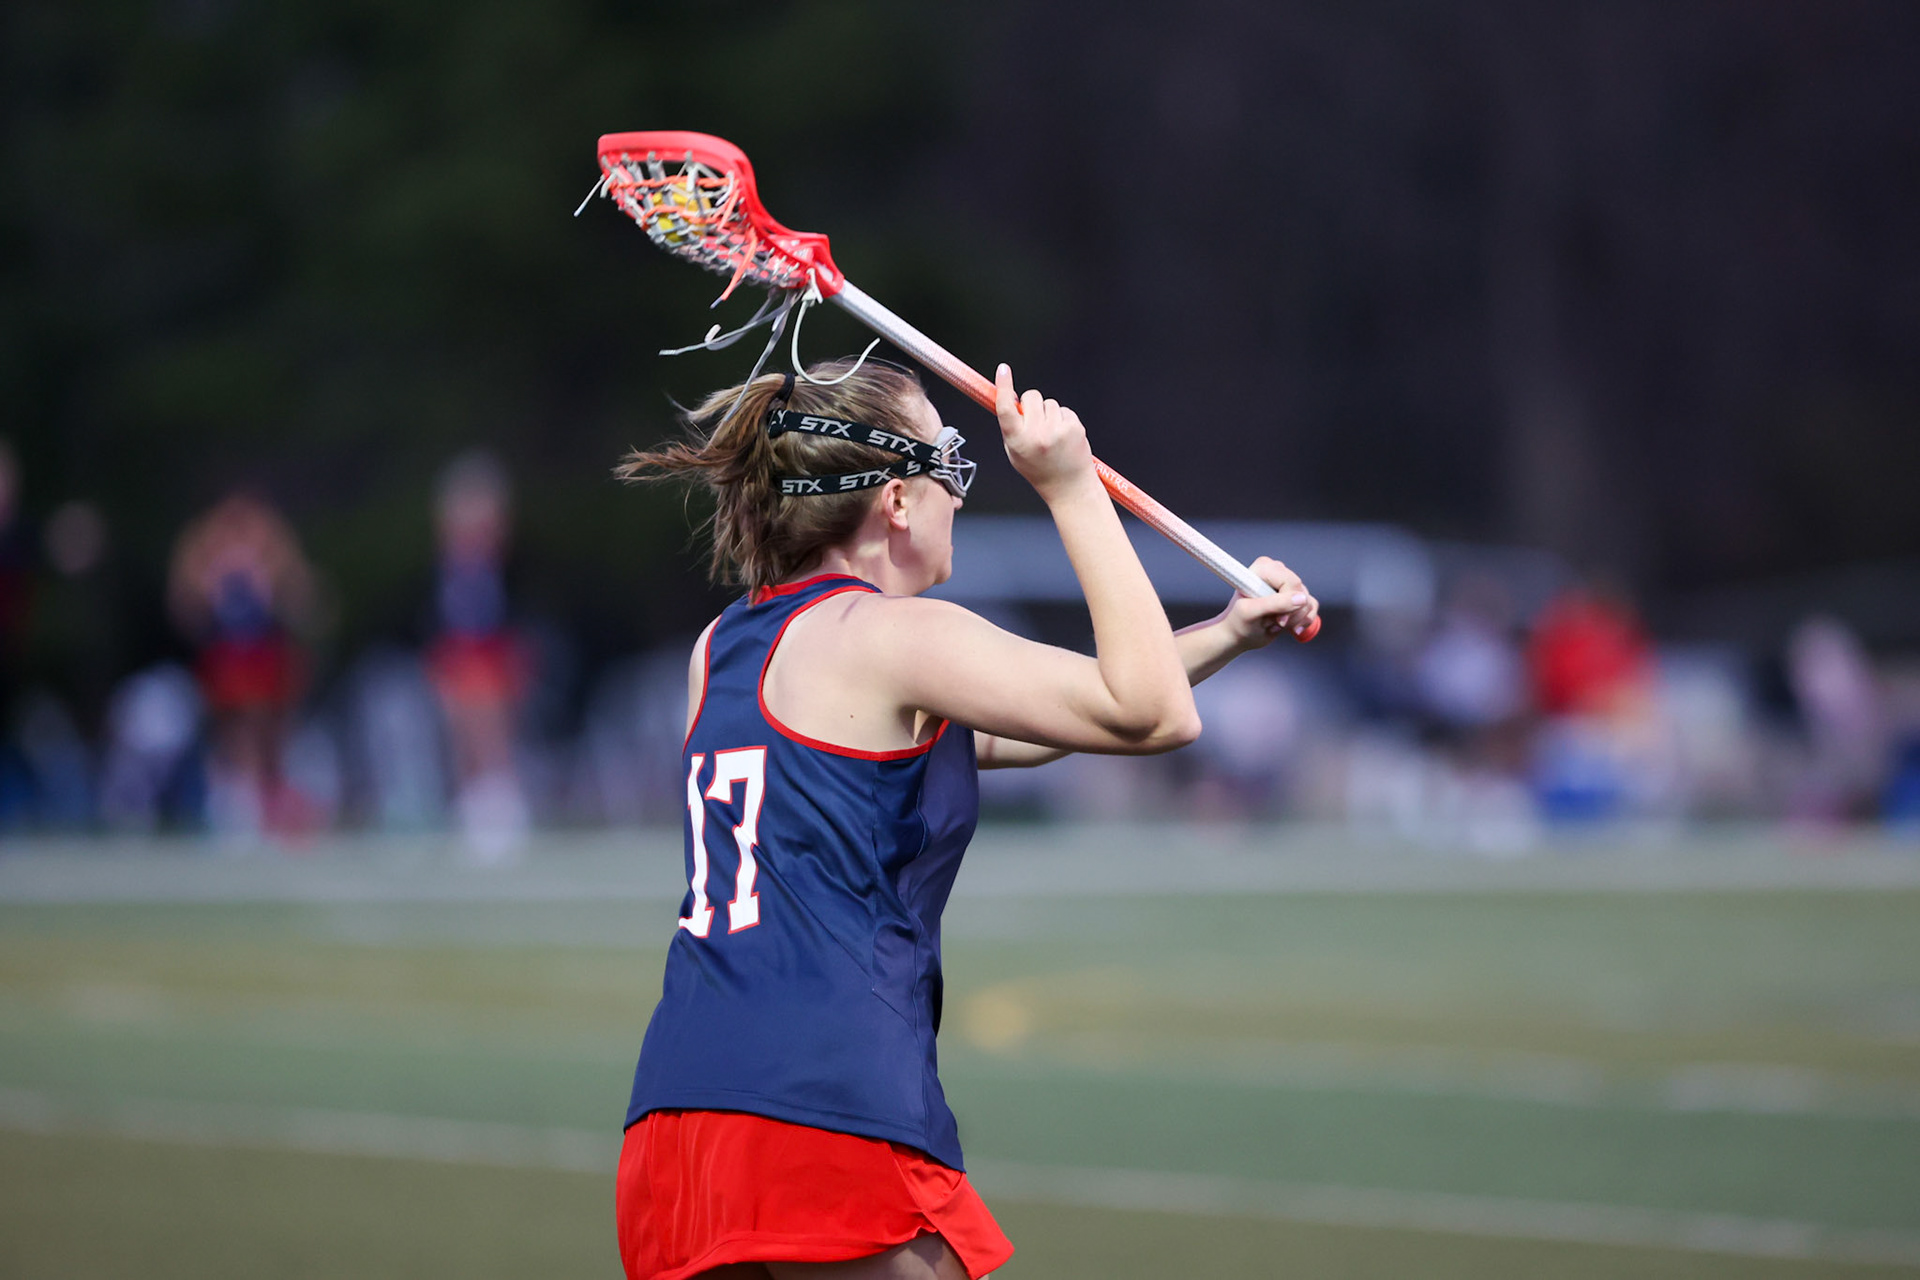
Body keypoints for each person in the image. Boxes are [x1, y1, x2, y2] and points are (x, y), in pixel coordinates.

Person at [614, 357, 1318, 1280]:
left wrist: (1226, 633)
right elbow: (1150, 715)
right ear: (897, 502)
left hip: (679, 1118)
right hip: (825, 1104)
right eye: (946, 458)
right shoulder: (894, 636)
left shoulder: (728, 644)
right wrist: (1070, 485)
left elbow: (1039, 724)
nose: (960, 487)